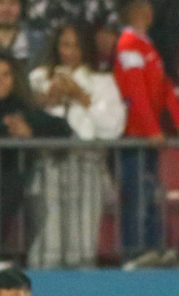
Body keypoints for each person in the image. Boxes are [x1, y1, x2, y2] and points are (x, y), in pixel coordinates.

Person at [28, 22, 124, 268]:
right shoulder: (38, 78)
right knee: (47, 243)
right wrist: (48, 99)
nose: (70, 52)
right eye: (65, 45)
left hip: (87, 166)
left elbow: (113, 128)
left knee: (81, 246)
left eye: (76, 46)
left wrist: (82, 97)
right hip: (48, 166)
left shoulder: (103, 82)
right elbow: (28, 118)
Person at [113, 0, 179, 270]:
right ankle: (135, 252)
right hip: (134, 137)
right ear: (139, 12)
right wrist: (151, 129)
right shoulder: (129, 46)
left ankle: (153, 248)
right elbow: (135, 93)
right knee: (137, 194)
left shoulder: (145, 46)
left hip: (145, 136)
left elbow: (164, 87)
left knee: (149, 192)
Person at [0, 50, 70, 261]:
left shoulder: (20, 108)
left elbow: (61, 127)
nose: (1, 81)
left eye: (6, 75)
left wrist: (30, 132)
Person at [0, 0, 45, 70]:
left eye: (12, 3)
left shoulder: (37, 39)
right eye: (1, 3)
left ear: (22, 7)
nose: (6, 9)